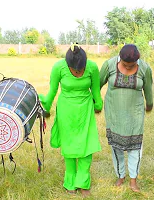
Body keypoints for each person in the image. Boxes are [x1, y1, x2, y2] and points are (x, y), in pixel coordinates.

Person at [38, 44, 103, 197]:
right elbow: (52, 92)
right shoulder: (58, 67)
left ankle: (83, 183)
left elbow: (96, 91)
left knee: (87, 145)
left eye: (81, 70)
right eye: (75, 70)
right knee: (69, 148)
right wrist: (45, 106)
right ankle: (70, 182)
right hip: (66, 110)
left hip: (85, 110)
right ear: (68, 64)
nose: (78, 72)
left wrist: (98, 105)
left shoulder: (92, 67)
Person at [99, 44, 153, 192]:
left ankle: (133, 180)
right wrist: (96, 103)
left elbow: (148, 89)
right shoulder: (109, 65)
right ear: (119, 58)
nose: (128, 68)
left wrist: (149, 104)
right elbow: (97, 84)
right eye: (125, 65)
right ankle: (120, 176)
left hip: (135, 114)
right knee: (116, 146)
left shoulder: (144, 68)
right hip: (114, 113)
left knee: (135, 147)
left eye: (132, 65)